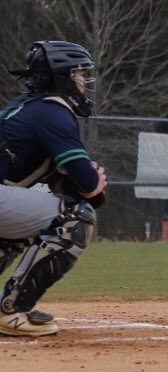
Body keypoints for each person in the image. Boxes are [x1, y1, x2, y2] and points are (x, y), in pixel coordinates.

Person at [0, 40, 107, 337]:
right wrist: (96, 181)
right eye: (78, 74)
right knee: (76, 216)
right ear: (61, 76)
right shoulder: (53, 112)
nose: (83, 81)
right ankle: (11, 310)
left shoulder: (26, 106)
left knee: (22, 224)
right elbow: (87, 185)